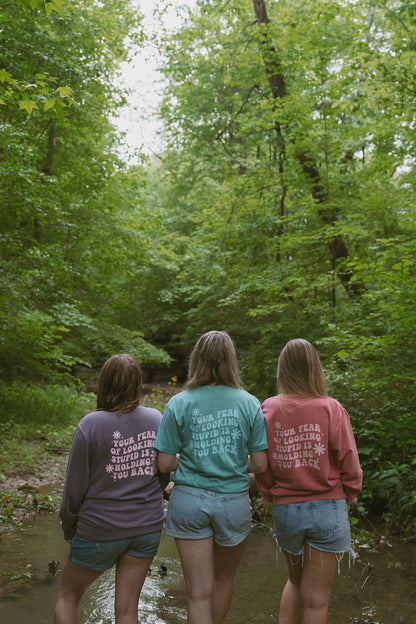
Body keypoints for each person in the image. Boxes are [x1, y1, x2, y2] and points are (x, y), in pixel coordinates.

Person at [155, 330, 268, 624]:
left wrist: (193, 462)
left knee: (197, 593)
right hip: (234, 503)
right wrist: (229, 462)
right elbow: (260, 464)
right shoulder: (250, 403)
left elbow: (164, 463)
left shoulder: (179, 402)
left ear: (196, 361)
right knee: (223, 580)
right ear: (231, 361)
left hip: (189, 501)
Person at [55, 354, 168, 624]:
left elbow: (74, 489)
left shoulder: (90, 425)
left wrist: (69, 527)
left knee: (68, 597)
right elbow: (163, 474)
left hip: (100, 529)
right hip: (147, 527)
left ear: (103, 384)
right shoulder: (156, 419)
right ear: (138, 384)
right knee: (128, 610)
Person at [256, 338, 362, 624]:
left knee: (294, 582)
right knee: (316, 600)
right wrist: (351, 491)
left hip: (286, 509)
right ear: (315, 368)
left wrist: (268, 492)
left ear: (282, 370)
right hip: (328, 507)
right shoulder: (331, 408)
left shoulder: (269, 408)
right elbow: (348, 457)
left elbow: (261, 462)